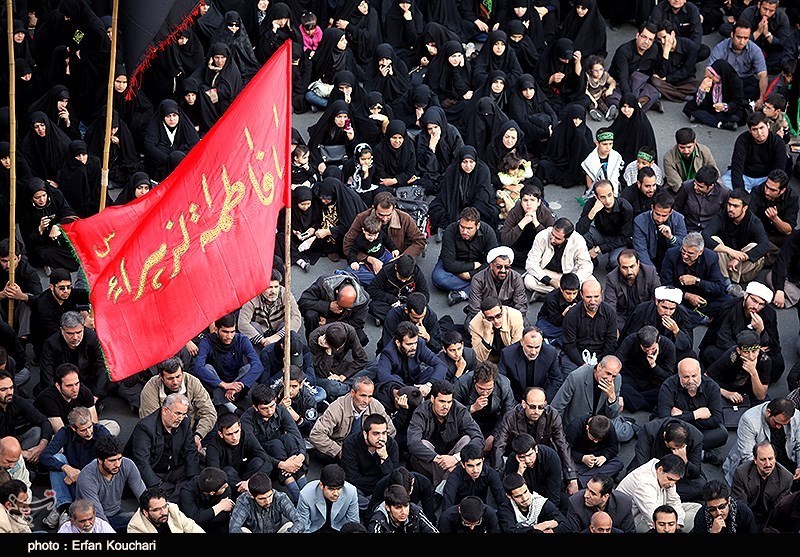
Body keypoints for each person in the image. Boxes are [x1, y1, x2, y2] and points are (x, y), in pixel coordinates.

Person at [39, 407, 112, 529]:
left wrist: (81, 476)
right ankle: (65, 507)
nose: (88, 433)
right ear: (73, 428)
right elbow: (45, 456)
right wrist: (66, 468)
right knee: (58, 459)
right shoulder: (65, 432)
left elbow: (111, 461)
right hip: (71, 480)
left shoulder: (101, 433)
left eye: (90, 427)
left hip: (94, 484)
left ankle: (63, 511)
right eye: (83, 430)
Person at [699, 281, 783, 384]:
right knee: (710, 353)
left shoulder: (769, 313)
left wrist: (761, 330)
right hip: (734, 350)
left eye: (761, 304)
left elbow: (772, 345)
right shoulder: (729, 308)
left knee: (778, 361)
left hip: (755, 353)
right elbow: (722, 340)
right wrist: (745, 352)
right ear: (746, 295)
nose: (756, 307)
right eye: (754, 301)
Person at [407, 379, 485, 486]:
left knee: (467, 439)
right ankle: (447, 482)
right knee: (423, 444)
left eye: (449, 402)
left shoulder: (459, 410)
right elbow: (413, 443)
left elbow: (479, 438)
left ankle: (441, 487)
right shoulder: (421, 412)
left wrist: (456, 458)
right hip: (431, 458)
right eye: (442, 401)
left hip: (454, 455)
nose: (446, 406)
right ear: (432, 399)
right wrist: (439, 459)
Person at [239, 383, 307, 504]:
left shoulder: (280, 410)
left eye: (272, 406)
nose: (270, 411)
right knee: (275, 445)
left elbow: (296, 435)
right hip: (262, 455)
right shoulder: (246, 420)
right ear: (255, 407)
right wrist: (282, 465)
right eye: (265, 409)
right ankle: (298, 496)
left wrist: (300, 457)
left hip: (283, 452)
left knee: (289, 439)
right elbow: (256, 449)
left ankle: (305, 491)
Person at [126, 393, 201, 501]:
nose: (180, 418)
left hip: (171, 468)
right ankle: (177, 494)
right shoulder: (145, 428)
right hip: (153, 471)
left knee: (196, 473)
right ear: (165, 410)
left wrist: (194, 478)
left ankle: (178, 493)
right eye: (178, 413)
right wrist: (156, 486)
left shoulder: (185, 421)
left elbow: (190, 450)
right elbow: (142, 462)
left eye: (183, 414)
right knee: (165, 494)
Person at [139, 356, 217, 454]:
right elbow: (151, 421)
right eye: (170, 378)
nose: (175, 382)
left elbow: (209, 412)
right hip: (163, 433)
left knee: (213, 428)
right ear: (161, 377)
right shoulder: (150, 389)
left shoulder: (193, 382)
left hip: (189, 428)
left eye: (178, 376)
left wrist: (198, 435)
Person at [551, 355, 636, 444]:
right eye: (607, 373)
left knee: (622, 434)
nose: (610, 379)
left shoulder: (617, 379)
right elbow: (557, 406)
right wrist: (555, 431)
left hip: (602, 420)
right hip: (580, 421)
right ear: (599, 366)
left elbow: (613, 415)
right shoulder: (576, 377)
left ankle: (630, 425)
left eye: (613, 376)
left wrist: (612, 397)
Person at [309, 377, 396, 463]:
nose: (366, 401)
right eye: (363, 396)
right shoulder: (337, 407)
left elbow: (391, 430)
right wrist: (338, 451)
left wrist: (373, 445)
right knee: (321, 454)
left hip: (367, 445)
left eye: (370, 396)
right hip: (341, 445)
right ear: (353, 393)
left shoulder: (376, 406)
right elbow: (316, 434)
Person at [657, 358, 729, 460]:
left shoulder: (712, 387)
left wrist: (682, 416)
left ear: (700, 373)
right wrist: (696, 415)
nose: (691, 381)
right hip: (676, 432)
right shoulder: (668, 386)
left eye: (694, 376)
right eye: (686, 377)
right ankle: (700, 454)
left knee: (722, 434)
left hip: (698, 430)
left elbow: (716, 419)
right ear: (679, 375)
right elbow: (665, 421)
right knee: (660, 431)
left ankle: (680, 450)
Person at [193, 313, 263, 415]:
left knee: (249, 367)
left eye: (232, 332)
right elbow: (198, 367)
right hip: (217, 382)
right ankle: (230, 406)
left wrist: (239, 385)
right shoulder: (207, 342)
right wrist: (224, 385)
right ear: (216, 330)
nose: (229, 336)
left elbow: (258, 365)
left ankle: (223, 401)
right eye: (225, 332)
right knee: (207, 368)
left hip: (237, 381)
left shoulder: (242, 340)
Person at [722, 397, 800, 485]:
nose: (779, 427)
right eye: (776, 423)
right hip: (761, 462)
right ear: (768, 412)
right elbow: (748, 456)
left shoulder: (796, 416)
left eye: (783, 425)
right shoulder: (749, 420)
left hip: (785, 457)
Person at [660, 232, 733, 327]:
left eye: (690, 253)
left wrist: (697, 281)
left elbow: (720, 287)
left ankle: (697, 317)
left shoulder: (711, 257)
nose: (685, 256)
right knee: (670, 305)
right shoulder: (671, 254)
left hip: (704, 298)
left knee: (729, 302)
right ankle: (701, 319)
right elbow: (666, 284)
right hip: (681, 298)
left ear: (700, 252)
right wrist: (687, 295)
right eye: (683, 251)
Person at [76, 435, 146, 532]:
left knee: (146, 521)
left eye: (119, 459)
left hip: (116, 514)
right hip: (93, 521)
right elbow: (98, 513)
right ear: (100, 460)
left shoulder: (127, 465)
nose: (117, 464)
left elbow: (143, 496)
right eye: (112, 461)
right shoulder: (87, 477)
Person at [628, 417, 706, 502]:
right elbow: (642, 462)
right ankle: (660, 495)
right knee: (634, 477)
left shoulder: (696, 437)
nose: (675, 451)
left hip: (675, 477)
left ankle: (656, 495)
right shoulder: (649, 429)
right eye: (672, 448)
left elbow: (696, 472)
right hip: (653, 470)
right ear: (664, 435)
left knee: (701, 484)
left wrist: (685, 461)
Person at [433, 206, 498, 306]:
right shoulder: (450, 231)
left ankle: (465, 292)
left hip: (478, 268)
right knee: (439, 277)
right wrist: (471, 266)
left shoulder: (488, 232)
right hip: (456, 264)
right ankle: (474, 289)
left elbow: (491, 261)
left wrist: (471, 274)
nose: (464, 231)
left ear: (478, 226)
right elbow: (449, 264)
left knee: (495, 271)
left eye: (469, 228)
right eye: (462, 227)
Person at [616, 454, 699, 532]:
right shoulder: (644, 483)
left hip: (659, 507)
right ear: (660, 469)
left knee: (697, 509)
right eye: (670, 479)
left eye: (675, 481)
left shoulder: (663, 472)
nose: (672, 484)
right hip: (637, 520)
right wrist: (672, 526)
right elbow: (654, 516)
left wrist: (679, 523)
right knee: (664, 525)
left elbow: (673, 500)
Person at [39, 311, 108, 404]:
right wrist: (57, 398)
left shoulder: (92, 338)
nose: (75, 337)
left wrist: (96, 394)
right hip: (63, 385)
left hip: (86, 381)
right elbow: (47, 372)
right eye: (70, 333)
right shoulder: (51, 344)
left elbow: (101, 366)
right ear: (62, 330)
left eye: (79, 332)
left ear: (83, 328)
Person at [34, 363, 117, 436]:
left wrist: (89, 435)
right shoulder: (48, 399)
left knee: (113, 426)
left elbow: (94, 423)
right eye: (69, 386)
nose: (75, 389)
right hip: (55, 433)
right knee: (59, 446)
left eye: (77, 383)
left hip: (80, 428)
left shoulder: (84, 391)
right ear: (58, 386)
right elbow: (60, 432)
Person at [18, 179, 79, 273]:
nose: (42, 200)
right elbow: (28, 239)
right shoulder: (25, 209)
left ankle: (56, 264)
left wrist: (58, 226)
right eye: (37, 197)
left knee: (77, 244)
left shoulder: (56, 195)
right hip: (42, 245)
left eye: (44, 195)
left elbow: (70, 215)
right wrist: (40, 229)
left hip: (59, 237)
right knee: (43, 255)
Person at [454, 360, 515, 455]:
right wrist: (472, 408)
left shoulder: (504, 384)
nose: (485, 392)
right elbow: (453, 413)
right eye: (481, 388)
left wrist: (494, 435)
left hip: (494, 423)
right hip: (469, 424)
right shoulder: (462, 383)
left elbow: (508, 414)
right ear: (475, 382)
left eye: (489, 389)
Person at [341, 412, 400, 509]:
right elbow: (352, 477)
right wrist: (379, 482)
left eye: (384, 433)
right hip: (358, 488)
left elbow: (393, 478)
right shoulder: (350, 443)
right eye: (376, 434)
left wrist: (385, 458)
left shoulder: (391, 445)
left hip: (380, 489)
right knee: (348, 494)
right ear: (365, 433)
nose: (381, 438)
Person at [205, 412, 273, 496]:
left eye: (236, 432)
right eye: (229, 434)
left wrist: (249, 483)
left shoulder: (247, 435)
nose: (234, 437)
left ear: (240, 427)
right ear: (220, 434)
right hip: (230, 481)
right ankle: (247, 495)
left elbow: (267, 462)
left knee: (259, 462)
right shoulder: (213, 446)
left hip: (248, 473)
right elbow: (215, 475)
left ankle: (252, 491)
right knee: (228, 471)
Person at [731, 441, 793, 531]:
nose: (768, 464)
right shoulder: (741, 473)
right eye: (763, 460)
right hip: (747, 516)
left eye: (770, 459)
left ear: (775, 458)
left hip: (769, 518)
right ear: (755, 460)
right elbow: (741, 506)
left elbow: (777, 510)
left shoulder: (786, 478)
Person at [523, 218, 594, 296]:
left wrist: (572, 282)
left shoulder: (578, 241)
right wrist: (549, 280)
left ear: (567, 238)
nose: (552, 239)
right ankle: (567, 294)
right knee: (528, 281)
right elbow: (531, 263)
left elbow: (586, 266)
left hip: (569, 275)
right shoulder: (542, 236)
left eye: (557, 238)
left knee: (592, 284)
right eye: (552, 234)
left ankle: (554, 293)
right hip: (547, 272)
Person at [298, 271, 371, 347]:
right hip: (322, 315)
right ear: (337, 292)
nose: (340, 310)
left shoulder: (363, 299)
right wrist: (327, 306)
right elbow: (303, 302)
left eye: (346, 308)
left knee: (361, 339)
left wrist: (329, 322)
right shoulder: (324, 283)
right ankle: (313, 344)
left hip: (341, 321)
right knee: (310, 315)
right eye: (339, 306)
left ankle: (338, 351)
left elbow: (357, 323)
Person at [576, 180, 634, 272]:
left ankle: (610, 266)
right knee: (583, 235)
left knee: (615, 261)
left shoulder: (626, 208)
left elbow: (624, 238)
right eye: (602, 197)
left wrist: (599, 249)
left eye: (609, 195)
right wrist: (593, 211)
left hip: (618, 240)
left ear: (613, 192)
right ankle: (591, 260)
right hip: (601, 235)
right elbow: (579, 230)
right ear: (596, 197)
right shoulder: (591, 204)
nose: (607, 200)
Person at [560, 279, 618, 373]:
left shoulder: (610, 313)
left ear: (601, 293)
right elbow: (569, 345)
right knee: (570, 376)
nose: (593, 301)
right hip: (577, 354)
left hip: (601, 354)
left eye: (596, 296)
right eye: (588, 297)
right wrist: (582, 364)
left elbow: (611, 341)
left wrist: (601, 363)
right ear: (581, 295)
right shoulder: (572, 315)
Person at [237, 268, 301, 352]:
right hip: (261, 333)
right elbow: (242, 323)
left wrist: (278, 336)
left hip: (280, 330)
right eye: (269, 287)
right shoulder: (252, 297)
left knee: (292, 325)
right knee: (253, 326)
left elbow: (296, 317)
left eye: (276, 287)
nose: (273, 291)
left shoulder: (285, 293)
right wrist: (261, 340)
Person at [616, 325, 677, 413]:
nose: (649, 352)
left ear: (658, 340)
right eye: (645, 349)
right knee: (619, 383)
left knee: (666, 391)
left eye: (652, 348)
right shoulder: (630, 340)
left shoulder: (668, 346)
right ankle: (646, 405)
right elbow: (618, 363)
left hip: (652, 382)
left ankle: (632, 399)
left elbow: (668, 377)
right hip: (632, 377)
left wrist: (653, 365)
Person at [721, 112, 787, 192]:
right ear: (750, 130)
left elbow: (779, 170)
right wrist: (740, 192)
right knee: (724, 181)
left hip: (765, 179)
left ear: (768, 126)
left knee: (778, 187)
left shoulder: (778, 142)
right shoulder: (742, 140)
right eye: (755, 130)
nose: (759, 133)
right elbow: (737, 167)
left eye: (761, 128)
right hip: (745, 176)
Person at [376, 320, 448, 392]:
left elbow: (440, 364)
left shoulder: (419, 344)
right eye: (409, 344)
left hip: (417, 380)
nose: (414, 347)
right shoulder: (388, 353)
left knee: (433, 372)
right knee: (394, 379)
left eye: (415, 343)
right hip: (400, 386)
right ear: (398, 342)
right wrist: (409, 390)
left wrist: (428, 385)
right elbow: (383, 375)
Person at [708, 20, 768, 104]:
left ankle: (731, 100)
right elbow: (709, 71)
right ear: (732, 35)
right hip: (726, 81)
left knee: (757, 88)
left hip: (745, 80)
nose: (742, 42)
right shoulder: (720, 48)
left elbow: (763, 75)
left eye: (746, 38)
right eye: (739, 37)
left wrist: (761, 99)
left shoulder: (755, 50)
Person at [707, 329, 771, 407]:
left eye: (754, 351)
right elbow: (706, 377)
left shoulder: (764, 360)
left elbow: (761, 396)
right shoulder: (731, 356)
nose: (751, 357)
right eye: (746, 352)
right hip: (729, 386)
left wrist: (753, 373)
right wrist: (726, 393)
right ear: (738, 350)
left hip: (750, 389)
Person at [608, 21, 661, 112]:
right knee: (610, 97)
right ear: (637, 35)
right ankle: (639, 106)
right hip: (621, 83)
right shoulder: (624, 51)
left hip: (640, 84)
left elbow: (657, 70)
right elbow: (623, 79)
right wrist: (630, 99)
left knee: (654, 92)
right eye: (644, 37)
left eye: (650, 39)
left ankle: (632, 107)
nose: (646, 42)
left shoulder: (654, 49)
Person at [466, 246, 528, 325]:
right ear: (491, 265)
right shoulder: (478, 279)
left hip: (508, 314)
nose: (503, 270)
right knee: (472, 327)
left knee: (525, 329)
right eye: (499, 267)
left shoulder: (516, 278)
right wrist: (491, 323)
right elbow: (475, 309)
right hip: (486, 315)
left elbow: (520, 305)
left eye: (507, 267)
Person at [501, 184, 556, 270]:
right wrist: (523, 223)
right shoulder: (515, 212)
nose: (528, 204)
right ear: (521, 201)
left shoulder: (546, 214)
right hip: (519, 247)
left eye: (532, 200)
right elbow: (505, 239)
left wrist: (536, 223)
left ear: (539, 202)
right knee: (502, 251)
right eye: (525, 200)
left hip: (537, 249)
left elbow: (551, 241)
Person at [309, 322, 369, 401]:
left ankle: (345, 387)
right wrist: (328, 353)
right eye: (334, 348)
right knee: (331, 386)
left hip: (340, 366)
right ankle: (355, 387)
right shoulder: (314, 339)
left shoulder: (350, 331)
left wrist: (342, 376)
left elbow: (362, 359)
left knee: (373, 366)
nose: (337, 350)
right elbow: (322, 373)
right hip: (325, 370)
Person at [142, 99, 200, 180]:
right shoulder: (155, 125)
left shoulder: (185, 124)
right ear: (163, 116)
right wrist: (169, 159)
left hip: (181, 160)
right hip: (162, 163)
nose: (172, 119)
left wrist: (177, 157)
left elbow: (195, 143)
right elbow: (149, 146)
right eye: (168, 116)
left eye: (174, 115)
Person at [0, 370, 52, 460]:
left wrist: (41, 446)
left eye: (11, 388)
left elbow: (43, 420)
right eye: (3, 389)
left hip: (15, 441)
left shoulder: (15, 400)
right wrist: (22, 453)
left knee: (36, 431)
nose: (9, 392)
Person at [604, 249, 661, 331]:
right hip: (623, 318)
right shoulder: (612, 278)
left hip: (646, 315)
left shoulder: (650, 272)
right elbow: (610, 306)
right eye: (624, 268)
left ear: (638, 263)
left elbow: (657, 298)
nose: (629, 271)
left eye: (632, 266)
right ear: (619, 267)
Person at [683, 59, 747, 131]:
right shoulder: (709, 82)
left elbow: (737, 101)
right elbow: (699, 102)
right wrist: (701, 90)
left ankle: (705, 119)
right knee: (690, 108)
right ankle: (721, 124)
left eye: (712, 76)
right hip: (711, 108)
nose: (710, 79)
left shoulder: (736, 82)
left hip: (727, 111)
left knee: (735, 117)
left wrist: (724, 107)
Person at [295, 463, 360, 532]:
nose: (336, 493)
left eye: (339, 488)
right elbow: (303, 527)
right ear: (321, 485)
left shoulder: (351, 491)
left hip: (339, 529)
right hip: (314, 529)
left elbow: (353, 524)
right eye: (331, 489)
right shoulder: (306, 494)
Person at [632, 192, 687, 273]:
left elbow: (683, 245)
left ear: (671, 212)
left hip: (672, 260)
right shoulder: (640, 221)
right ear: (652, 208)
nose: (660, 219)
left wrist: (671, 237)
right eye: (657, 214)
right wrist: (652, 272)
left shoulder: (679, 219)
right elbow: (641, 250)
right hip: (651, 258)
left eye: (664, 216)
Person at [229, 471, 299, 533]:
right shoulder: (243, 501)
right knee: (243, 530)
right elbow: (234, 528)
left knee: (291, 525)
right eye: (262, 499)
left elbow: (299, 521)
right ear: (251, 495)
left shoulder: (280, 497)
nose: (268, 501)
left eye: (270, 496)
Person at [748, 169, 798, 257]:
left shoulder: (791, 197)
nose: (767, 192)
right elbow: (749, 218)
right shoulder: (757, 191)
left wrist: (775, 219)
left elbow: (788, 230)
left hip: (779, 235)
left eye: (772, 190)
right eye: (766, 187)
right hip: (759, 233)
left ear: (782, 191)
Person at [565, 415, 625, 488]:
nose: (596, 442)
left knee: (618, 463)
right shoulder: (574, 427)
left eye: (599, 440)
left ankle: (581, 481)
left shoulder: (608, 427)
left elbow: (614, 447)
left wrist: (604, 457)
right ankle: (597, 477)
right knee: (566, 466)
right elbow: (565, 452)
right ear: (587, 428)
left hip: (598, 457)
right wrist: (582, 458)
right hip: (579, 459)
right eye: (593, 438)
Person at [564, 473, 636, 534]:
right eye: (587, 489)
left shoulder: (624, 503)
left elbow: (629, 531)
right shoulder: (575, 502)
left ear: (605, 497)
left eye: (593, 493)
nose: (586, 495)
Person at [367, 255, 429, 325]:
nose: (403, 281)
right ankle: (410, 321)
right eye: (400, 277)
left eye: (406, 279)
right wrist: (391, 299)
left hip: (409, 303)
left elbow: (425, 295)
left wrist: (409, 304)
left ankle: (393, 320)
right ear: (396, 267)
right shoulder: (386, 270)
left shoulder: (416, 272)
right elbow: (372, 289)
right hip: (391, 303)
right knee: (373, 306)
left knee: (424, 308)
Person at [441, 443, 505, 511]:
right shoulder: (455, 476)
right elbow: (447, 504)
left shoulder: (490, 473)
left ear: (483, 460)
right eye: (470, 466)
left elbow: (502, 499)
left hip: (481, 511)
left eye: (478, 464)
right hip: (460, 512)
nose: (475, 470)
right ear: (463, 464)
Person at [650, 19, 701, 102]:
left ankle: (667, 93)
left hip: (683, 80)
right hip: (665, 81)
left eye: (664, 37)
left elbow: (688, 70)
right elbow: (661, 73)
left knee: (700, 86)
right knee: (655, 82)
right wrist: (665, 53)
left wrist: (667, 79)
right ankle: (683, 97)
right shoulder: (658, 48)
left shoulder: (689, 46)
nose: (662, 42)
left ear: (672, 34)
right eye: (659, 39)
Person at [497, 473, 566, 533]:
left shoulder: (540, 503)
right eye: (518, 496)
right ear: (509, 496)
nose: (525, 498)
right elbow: (510, 531)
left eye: (525, 492)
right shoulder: (505, 509)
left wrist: (551, 531)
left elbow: (566, 525)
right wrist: (540, 527)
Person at [177, 467, 234, 534]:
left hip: (218, 525)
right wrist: (220, 507)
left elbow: (223, 516)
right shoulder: (186, 493)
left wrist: (204, 515)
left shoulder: (223, 485)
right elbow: (194, 519)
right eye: (223, 487)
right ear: (212, 492)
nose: (227, 486)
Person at [673, 165, 729, 233]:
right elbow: (676, 208)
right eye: (695, 183)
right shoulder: (686, 187)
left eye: (700, 186)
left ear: (711, 186)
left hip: (710, 231)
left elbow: (725, 215)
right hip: (688, 228)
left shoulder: (723, 193)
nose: (695, 187)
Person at [469, 298, 525, 364]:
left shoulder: (515, 316)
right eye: (490, 318)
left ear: (502, 311)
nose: (496, 321)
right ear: (484, 317)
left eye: (498, 316)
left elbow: (516, 348)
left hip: (509, 353)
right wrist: (487, 333)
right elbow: (478, 357)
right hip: (491, 355)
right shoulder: (474, 325)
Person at [662, 128, 719, 193]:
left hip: (702, 188)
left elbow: (715, 174)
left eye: (689, 147)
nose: (686, 151)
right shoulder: (668, 158)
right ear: (677, 144)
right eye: (682, 147)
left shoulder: (705, 151)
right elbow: (676, 184)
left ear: (695, 142)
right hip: (680, 190)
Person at [691, 479, 758, 533]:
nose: (719, 512)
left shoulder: (743, 512)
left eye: (722, 507)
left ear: (728, 501)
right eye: (712, 509)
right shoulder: (701, 516)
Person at [127, 486, 204, 533]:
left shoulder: (172, 509)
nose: (163, 512)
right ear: (145, 512)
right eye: (157, 510)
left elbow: (190, 526)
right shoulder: (136, 527)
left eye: (164, 506)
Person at [608, 93, 658, 165]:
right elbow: (613, 131)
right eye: (624, 107)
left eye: (630, 107)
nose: (626, 110)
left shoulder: (641, 125)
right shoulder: (622, 118)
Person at [367, 483, 439, 533]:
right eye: (398, 508)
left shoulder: (415, 511)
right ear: (388, 507)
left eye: (406, 506)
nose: (404, 512)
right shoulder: (378, 522)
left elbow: (432, 530)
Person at [581, 129, 624, 196]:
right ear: (597, 143)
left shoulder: (616, 157)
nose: (608, 147)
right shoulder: (589, 161)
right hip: (596, 192)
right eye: (604, 144)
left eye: (610, 144)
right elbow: (589, 184)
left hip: (613, 190)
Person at [767, 228, 800, 312]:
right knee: (770, 277)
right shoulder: (796, 236)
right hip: (793, 279)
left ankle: (791, 298)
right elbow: (782, 261)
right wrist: (779, 289)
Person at [438, 494, 502, 533]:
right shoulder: (447, 518)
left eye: (477, 523)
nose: (472, 528)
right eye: (467, 523)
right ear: (459, 510)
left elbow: (495, 531)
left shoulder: (489, 513)